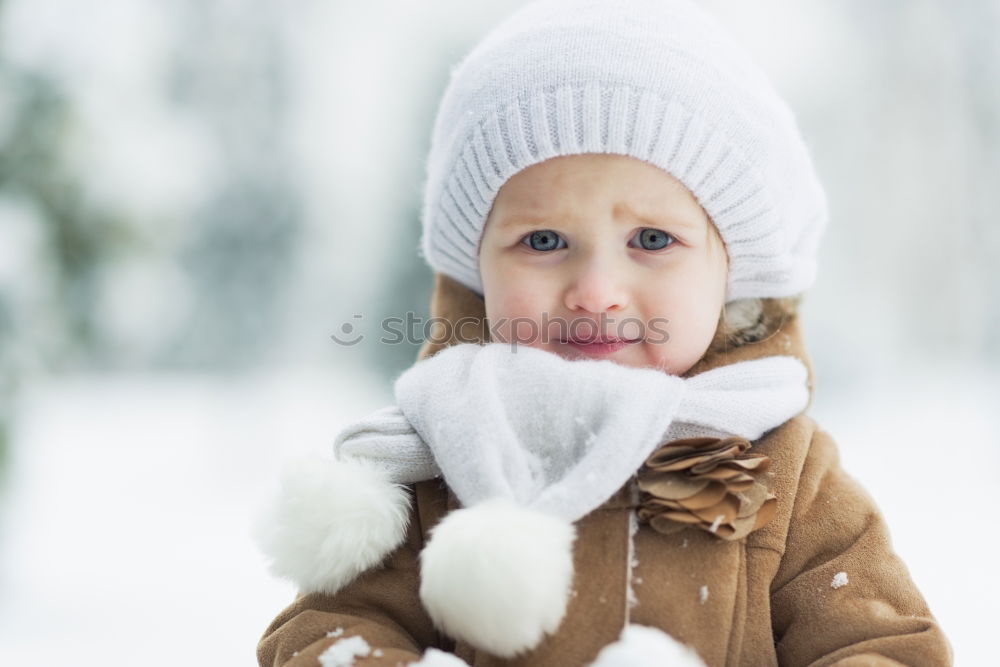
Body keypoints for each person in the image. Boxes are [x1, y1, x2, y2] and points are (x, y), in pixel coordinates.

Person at [254, 1, 953, 665]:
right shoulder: (441, 456)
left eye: (651, 238)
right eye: (544, 238)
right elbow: (324, 633)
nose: (594, 291)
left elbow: (884, 644)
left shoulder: (788, 476)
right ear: (477, 269)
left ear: (732, 272)